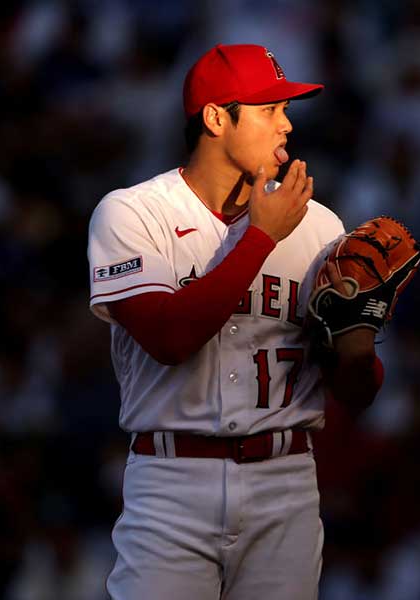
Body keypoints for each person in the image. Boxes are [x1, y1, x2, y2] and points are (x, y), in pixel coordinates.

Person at [87, 43, 383, 600]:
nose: (287, 124)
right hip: (172, 482)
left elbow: (356, 393)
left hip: (285, 481)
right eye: (270, 109)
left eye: (285, 109)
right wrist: (260, 238)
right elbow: (168, 338)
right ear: (217, 118)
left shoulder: (319, 227)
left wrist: (359, 347)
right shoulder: (133, 212)